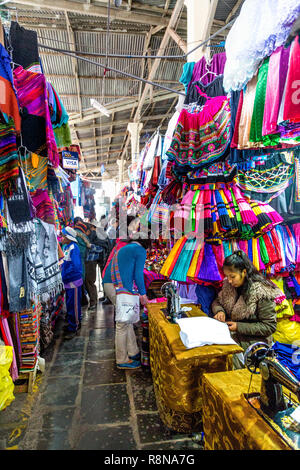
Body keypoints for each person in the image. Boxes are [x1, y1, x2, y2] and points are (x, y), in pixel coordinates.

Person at [211, 250, 282, 369]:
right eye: (227, 276)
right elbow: (218, 301)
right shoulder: (230, 286)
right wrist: (219, 311)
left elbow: (269, 326)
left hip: (253, 345)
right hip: (233, 335)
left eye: (232, 276)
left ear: (244, 272)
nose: (229, 280)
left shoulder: (261, 291)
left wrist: (239, 327)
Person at [103, 237, 151, 370]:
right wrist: (143, 294)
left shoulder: (125, 248)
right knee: (122, 324)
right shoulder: (140, 250)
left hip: (110, 285)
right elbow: (138, 274)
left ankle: (133, 352)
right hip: (117, 287)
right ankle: (122, 359)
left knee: (127, 320)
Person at [60, 226, 83, 340]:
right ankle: (71, 323)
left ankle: (74, 326)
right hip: (68, 281)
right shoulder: (67, 247)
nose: (61, 238)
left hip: (73, 281)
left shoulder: (74, 248)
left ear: (68, 238)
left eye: (63, 236)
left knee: (74, 304)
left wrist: (67, 275)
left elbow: (76, 267)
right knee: (70, 303)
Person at [74, 220, 91, 307]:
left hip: (74, 264)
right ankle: (83, 300)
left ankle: (80, 301)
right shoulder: (85, 238)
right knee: (81, 281)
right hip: (82, 262)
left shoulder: (73, 237)